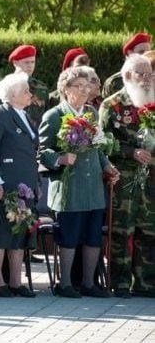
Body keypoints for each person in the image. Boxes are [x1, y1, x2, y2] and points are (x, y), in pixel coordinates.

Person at [39, 66, 119, 298]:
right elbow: (43, 151)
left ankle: (88, 283)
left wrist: (106, 166)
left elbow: (98, 147)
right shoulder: (53, 116)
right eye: (79, 86)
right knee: (70, 236)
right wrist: (60, 158)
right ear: (65, 89)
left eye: (87, 86)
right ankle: (65, 283)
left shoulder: (92, 114)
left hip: (93, 185)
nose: (85, 90)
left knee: (93, 236)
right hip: (69, 186)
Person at [99, 54, 155, 298]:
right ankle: (120, 283)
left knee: (149, 231)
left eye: (149, 75)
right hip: (123, 179)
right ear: (127, 76)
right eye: (141, 75)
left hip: (151, 179)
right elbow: (103, 144)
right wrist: (131, 152)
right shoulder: (112, 105)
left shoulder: (152, 101)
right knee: (122, 232)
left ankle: (146, 283)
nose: (146, 80)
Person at [0, 72, 39, 298]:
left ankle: (16, 281)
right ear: (13, 94)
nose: (30, 94)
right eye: (25, 90)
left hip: (25, 185)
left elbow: (31, 152)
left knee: (19, 234)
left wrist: (36, 183)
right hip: (4, 185)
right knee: (1, 233)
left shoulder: (25, 115)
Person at [8, 44, 47, 130]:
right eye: (26, 62)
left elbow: (46, 115)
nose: (30, 66)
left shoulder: (41, 88)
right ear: (15, 63)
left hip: (36, 135)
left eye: (32, 62)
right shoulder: (7, 86)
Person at [102, 32, 151, 98]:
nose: (146, 56)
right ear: (130, 53)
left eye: (148, 52)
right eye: (141, 52)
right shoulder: (114, 82)